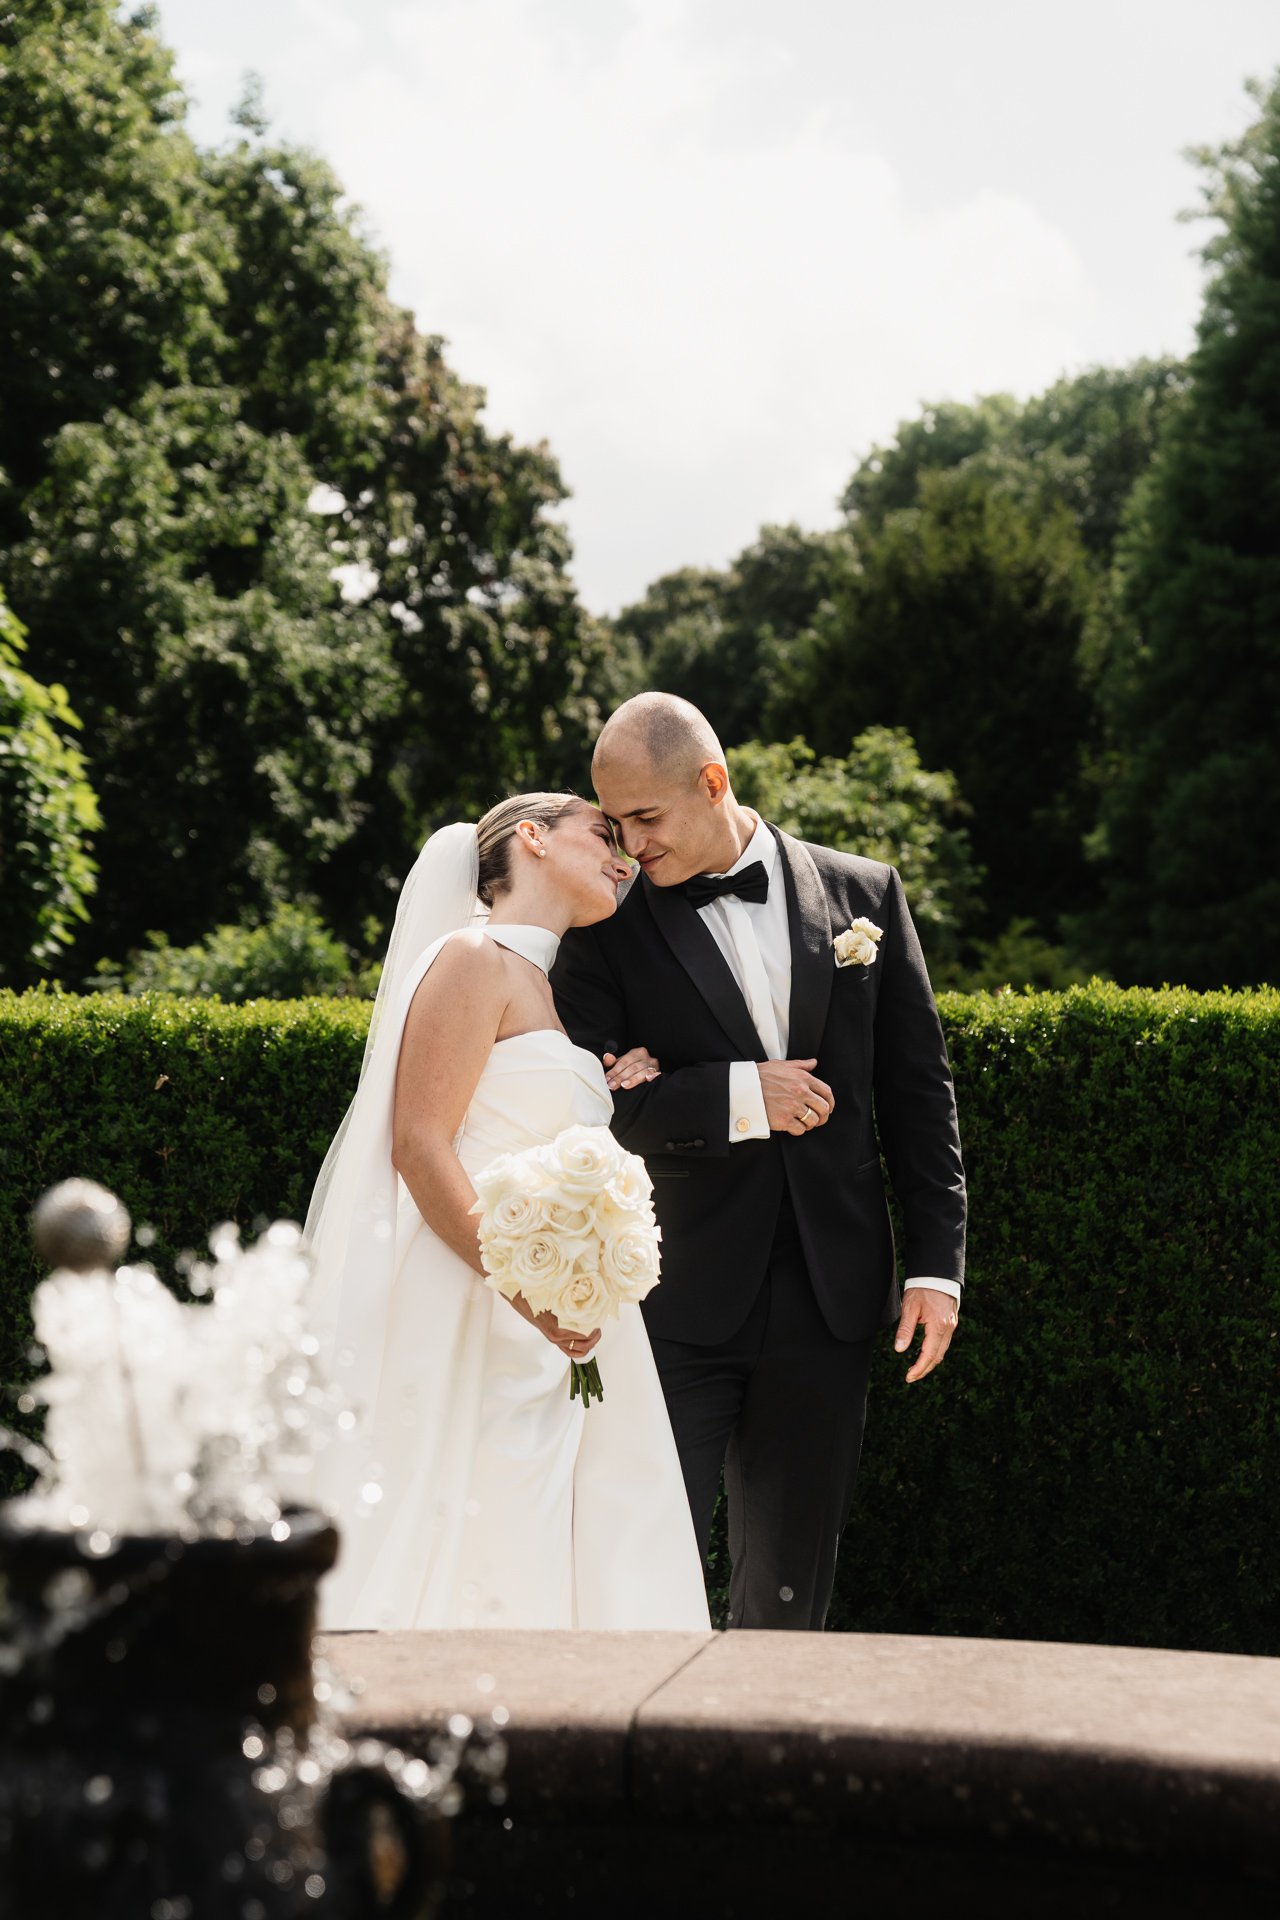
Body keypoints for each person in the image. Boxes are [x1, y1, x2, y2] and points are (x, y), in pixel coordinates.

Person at [551, 694, 966, 1632]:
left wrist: (937, 1267)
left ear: (713, 782)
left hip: (830, 1299)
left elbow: (918, 1095)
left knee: (789, 1590)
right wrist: (741, 1096)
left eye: (646, 820)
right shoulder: (603, 928)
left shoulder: (867, 894)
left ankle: (749, 1770)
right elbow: (587, 1107)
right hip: (673, 1297)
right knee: (634, 1563)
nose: (631, 847)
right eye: (614, 824)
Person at [304, 794, 710, 1632]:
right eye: (602, 833)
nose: (625, 856)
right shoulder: (471, 958)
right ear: (530, 838)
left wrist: (601, 1086)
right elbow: (420, 1147)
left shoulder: (540, 986)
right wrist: (531, 1295)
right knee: (479, 1528)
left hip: (558, 1316)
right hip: (480, 1307)